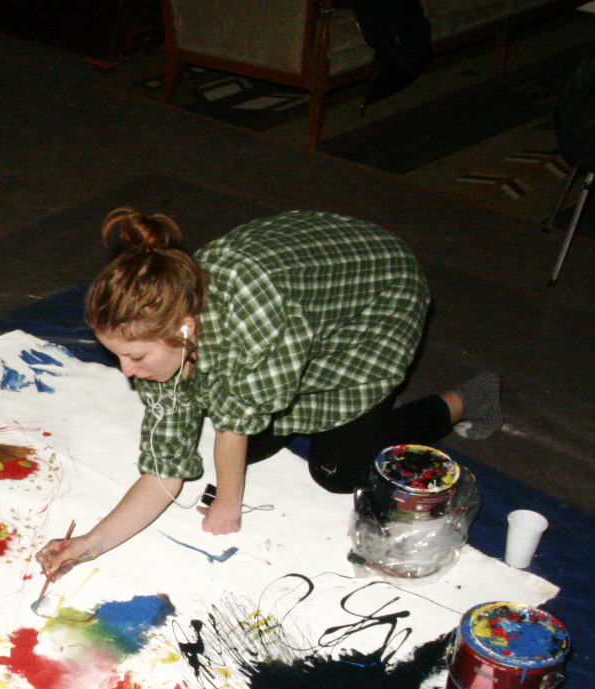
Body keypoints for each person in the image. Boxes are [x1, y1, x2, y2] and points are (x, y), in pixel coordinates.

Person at [37, 208, 500, 579]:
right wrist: (89, 544)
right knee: (246, 442)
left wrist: (228, 506)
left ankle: (466, 398)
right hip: (304, 289)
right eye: (117, 355)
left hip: (375, 295)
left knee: (338, 472)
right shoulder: (171, 324)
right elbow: (164, 469)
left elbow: (232, 429)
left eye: (136, 357)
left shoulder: (247, 324)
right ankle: (329, 415)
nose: (126, 371)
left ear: (185, 329)